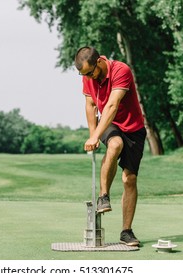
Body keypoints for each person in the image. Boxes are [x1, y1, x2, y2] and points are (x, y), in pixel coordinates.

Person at [74, 46, 146, 246]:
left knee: (129, 179)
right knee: (114, 144)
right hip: (109, 123)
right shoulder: (88, 76)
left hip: (133, 127)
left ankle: (126, 232)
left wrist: (96, 135)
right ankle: (103, 196)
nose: (87, 77)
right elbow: (90, 105)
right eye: (83, 74)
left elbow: (112, 106)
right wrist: (93, 135)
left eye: (89, 73)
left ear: (99, 62)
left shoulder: (121, 70)